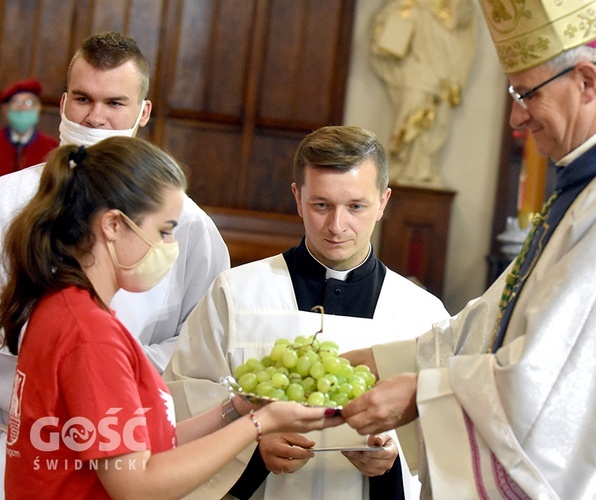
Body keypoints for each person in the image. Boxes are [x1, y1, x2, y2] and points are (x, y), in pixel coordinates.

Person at [341, 0, 596, 498]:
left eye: (526, 94)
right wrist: (387, 361)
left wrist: (423, 393)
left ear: (587, 81)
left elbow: (566, 387)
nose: (517, 118)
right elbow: (500, 316)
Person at [0, 137, 341, 498]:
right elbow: (137, 484)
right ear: (114, 225)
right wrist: (261, 423)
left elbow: (139, 442)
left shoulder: (69, 306)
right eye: (163, 231)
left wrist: (233, 410)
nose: (170, 247)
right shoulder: (90, 334)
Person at [164, 125, 450, 499]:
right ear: (298, 198)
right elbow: (183, 398)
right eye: (321, 205)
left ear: (383, 202)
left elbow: (446, 435)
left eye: (356, 207)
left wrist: (391, 463)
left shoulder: (421, 313)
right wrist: (251, 448)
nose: (337, 225)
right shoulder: (237, 293)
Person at [0, 31, 229, 495]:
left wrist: (234, 412)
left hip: (130, 426)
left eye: (115, 103)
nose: (96, 117)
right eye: (83, 99)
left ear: (143, 112)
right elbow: (135, 487)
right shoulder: (9, 203)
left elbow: (204, 333)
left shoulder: (188, 220)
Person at [370, 0, 476, 187]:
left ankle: (423, 169)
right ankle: (405, 165)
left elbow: (462, 17)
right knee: (413, 106)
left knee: (437, 118)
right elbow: (388, 16)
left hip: (440, 63)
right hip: (414, 64)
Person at [0, 79, 58, 176]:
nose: (22, 107)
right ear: (5, 110)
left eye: (28, 102)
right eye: (16, 102)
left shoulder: (50, 146)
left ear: (38, 108)